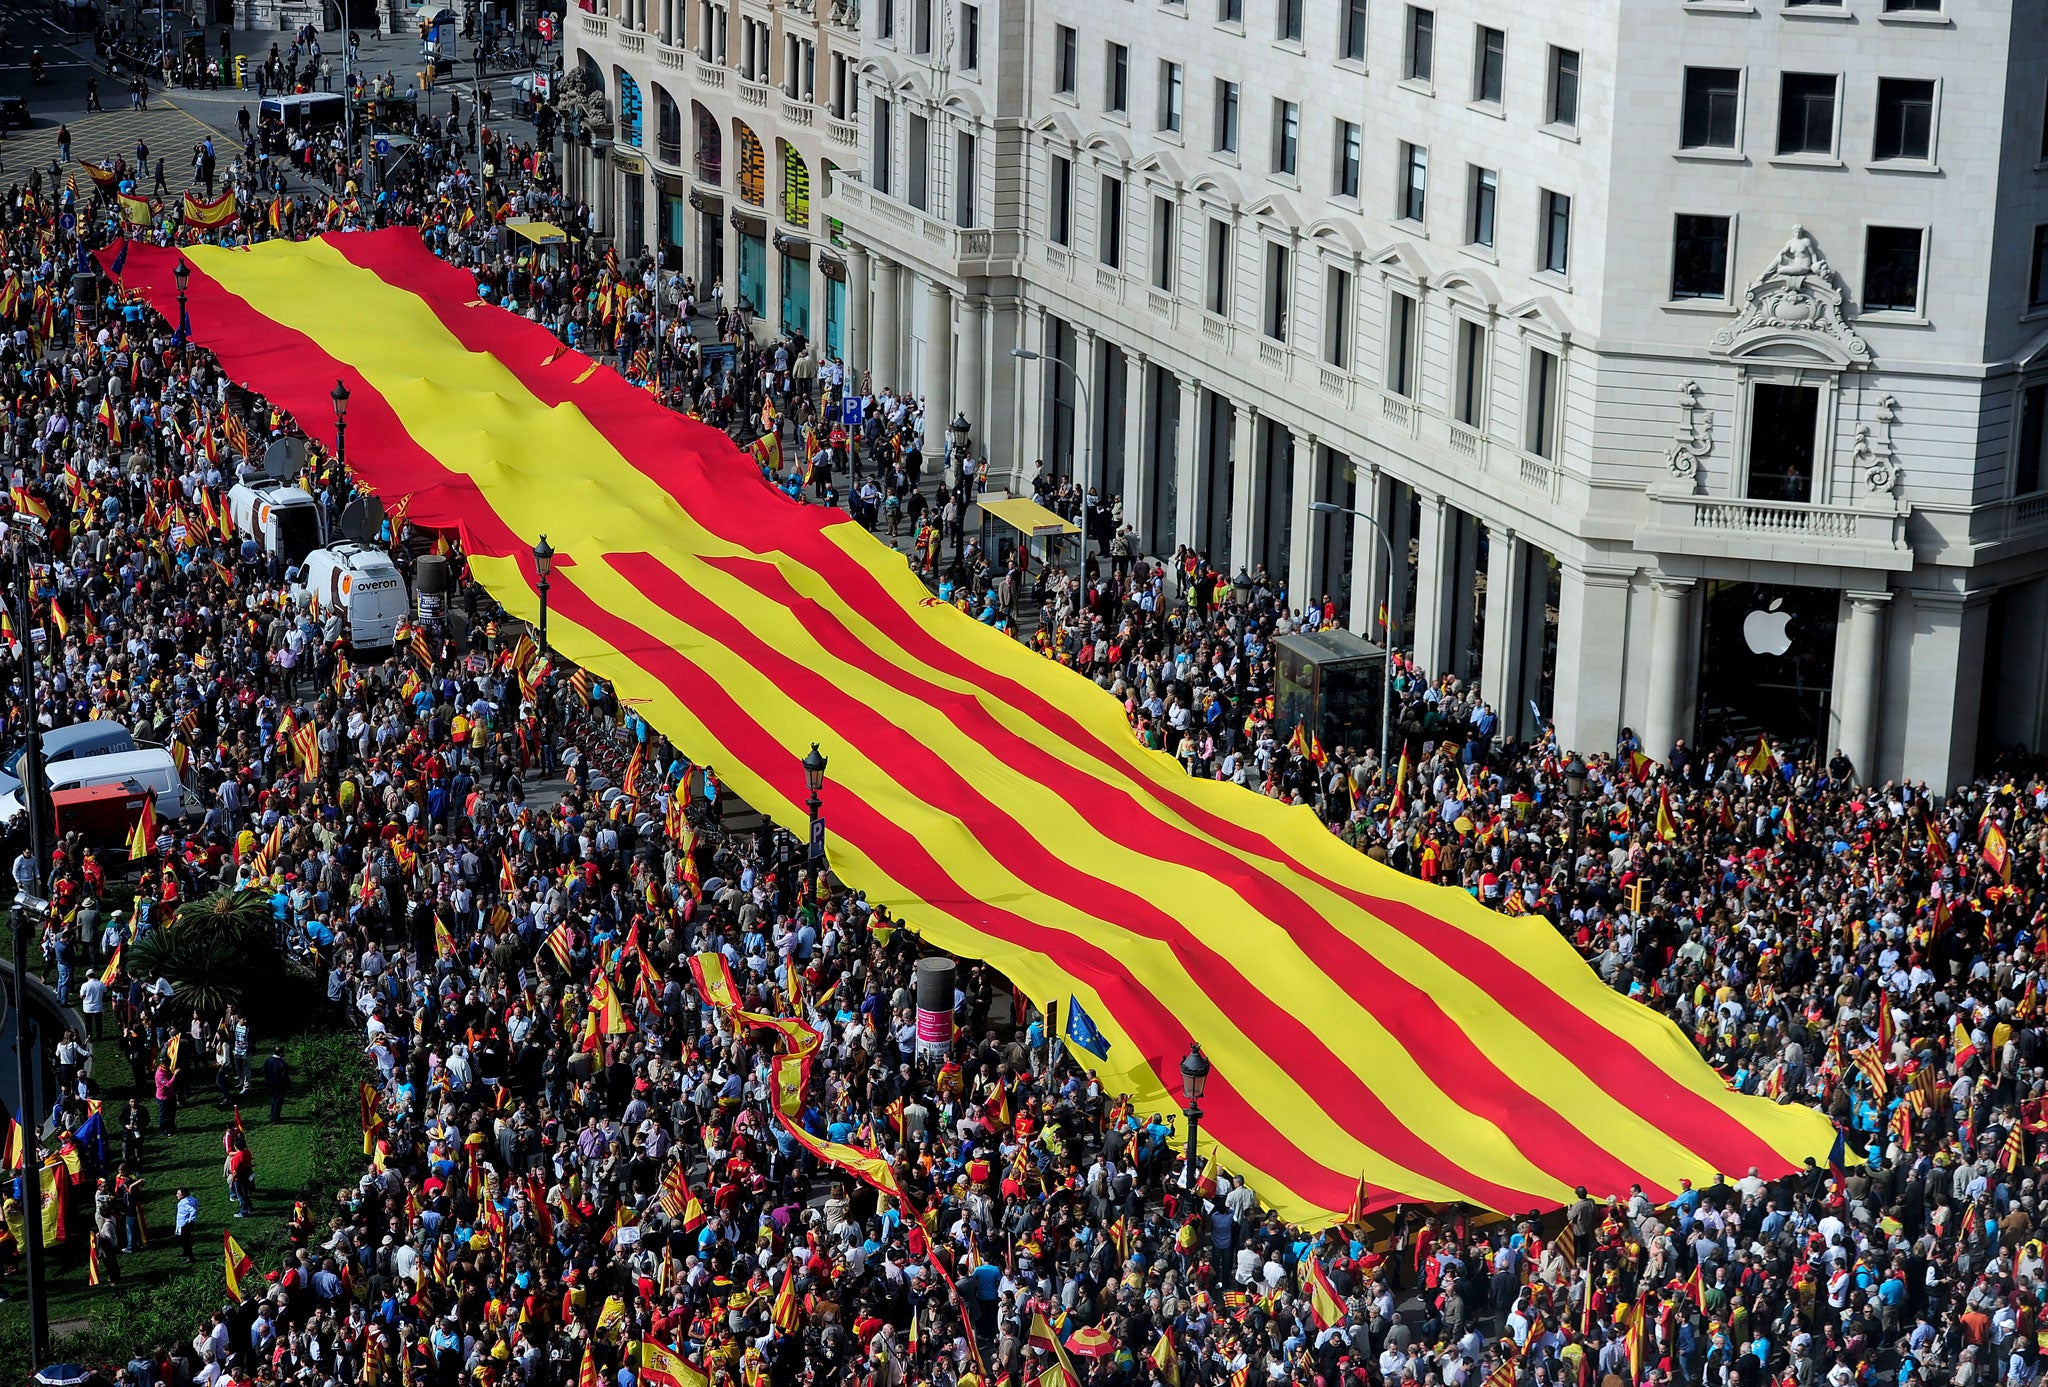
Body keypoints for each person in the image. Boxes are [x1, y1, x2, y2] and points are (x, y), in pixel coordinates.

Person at [261, 1046, 290, 1122]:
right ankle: (276, 1118)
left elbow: (263, 1071)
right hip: (279, 1085)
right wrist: (289, 1087)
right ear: (280, 1054)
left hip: (270, 1084)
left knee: (274, 1099)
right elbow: (285, 1076)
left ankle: (272, 1114)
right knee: (278, 1101)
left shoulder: (268, 1060)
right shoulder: (281, 1063)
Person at [174, 1187, 198, 1263]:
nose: (176, 1195)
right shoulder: (191, 1199)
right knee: (180, 1238)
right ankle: (185, 1252)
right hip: (182, 1223)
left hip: (184, 1224)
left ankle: (191, 1257)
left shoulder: (184, 1203)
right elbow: (196, 1203)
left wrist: (191, 1220)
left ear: (183, 1195)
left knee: (185, 1241)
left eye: (178, 1194)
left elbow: (192, 1210)